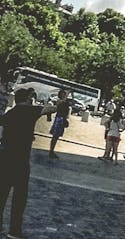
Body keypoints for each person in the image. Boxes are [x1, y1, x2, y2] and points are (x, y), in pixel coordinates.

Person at [0, 86, 57, 238]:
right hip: (20, 160)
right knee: (19, 197)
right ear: (27, 99)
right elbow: (51, 109)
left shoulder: (10, 113)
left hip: (4, 157)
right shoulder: (30, 111)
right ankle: (14, 231)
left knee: (2, 194)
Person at [46, 89, 71, 160]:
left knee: (56, 136)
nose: (64, 95)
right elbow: (60, 104)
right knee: (55, 136)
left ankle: (51, 150)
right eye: (63, 94)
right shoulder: (59, 101)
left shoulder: (64, 101)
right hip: (59, 119)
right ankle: (51, 151)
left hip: (62, 119)